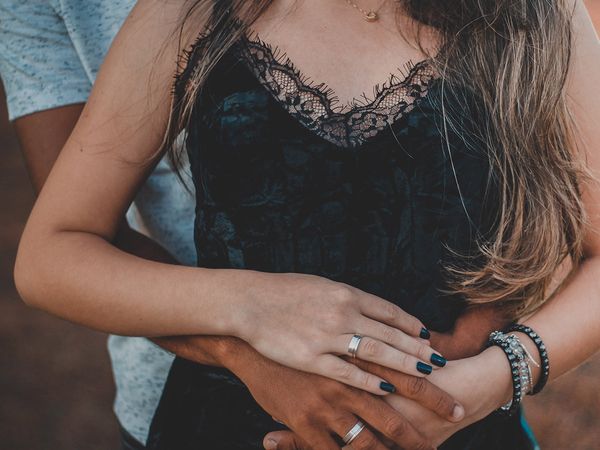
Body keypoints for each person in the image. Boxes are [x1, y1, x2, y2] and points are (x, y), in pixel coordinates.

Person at [11, 0, 600, 449]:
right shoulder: (184, 14)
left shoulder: (536, 15)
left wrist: (492, 380)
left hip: (454, 425)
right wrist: (249, 309)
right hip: (227, 425)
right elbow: (52, 253)